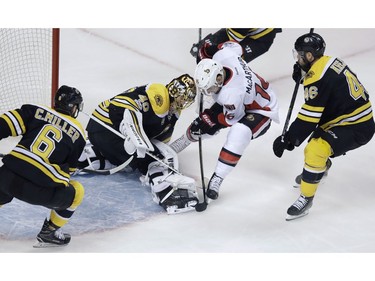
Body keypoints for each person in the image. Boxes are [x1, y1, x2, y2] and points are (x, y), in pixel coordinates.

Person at [273, 32, 375, 221]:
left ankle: (306, 198)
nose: (298, 58)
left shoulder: (317, 77)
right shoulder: (330, 61)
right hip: (351, 117)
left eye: (301, 54)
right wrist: (304, 75)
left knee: (315, 149)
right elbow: (330, 89)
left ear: (310, 55)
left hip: (356, 126)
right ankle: (322, 168)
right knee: (316, 140)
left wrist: (288, 139)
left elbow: (309, 118)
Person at [170, 41, 279, 202]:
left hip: (261, 110)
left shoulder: (231, 95)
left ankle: (218, 178)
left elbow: (229, 121)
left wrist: (208, 121)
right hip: (245, 98)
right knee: (202, 121)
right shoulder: (223, 56)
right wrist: (207, 49)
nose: (208, 92)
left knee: (238, 132)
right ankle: (183, 141)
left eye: (210, 88)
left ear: (219, 78)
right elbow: (234, 47)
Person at [78, 74, 200, 214]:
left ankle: (83, 157)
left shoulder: (173, 113)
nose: (184, 102)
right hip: (106, 125)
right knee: (152, 159)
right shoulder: (158, 95)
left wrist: (188, 138)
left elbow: (162, 145)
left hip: (105, 135)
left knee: (151, 157)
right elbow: (121, 107)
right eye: (183, 97)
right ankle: (167, 191)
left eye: (187, 99)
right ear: (174, 91)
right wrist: (139, 140)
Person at [0, 85, 86, 247]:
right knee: (77, 192)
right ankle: (49, 232)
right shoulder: (79, 133)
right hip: (40, 192)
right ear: (74, 107)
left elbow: (4, 124)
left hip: (7, 179)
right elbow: (70, 171)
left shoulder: (34, 110)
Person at [191, 28, 282, 64]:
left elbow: (231, 44)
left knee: (229, 60)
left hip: (260, 41)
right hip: (245, 30)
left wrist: (207, 52)